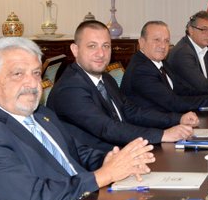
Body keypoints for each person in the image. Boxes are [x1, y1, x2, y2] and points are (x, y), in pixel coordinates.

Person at [0, 37, 155, 200]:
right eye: (18, 74)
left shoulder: (40, 114)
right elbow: (35, 198)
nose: (31, 83)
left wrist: (111, 159)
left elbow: (77, 152)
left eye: (36, 73)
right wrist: (104, 175)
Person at [48, 21, 196, 152]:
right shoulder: (70, 88)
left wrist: (178, 119)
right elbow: (107, 128)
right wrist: (162, 135)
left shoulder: (105, 78)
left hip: (122, 150)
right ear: (75, 50)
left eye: (106, 46)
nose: (101, 53)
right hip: (95, 162)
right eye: (92, 46)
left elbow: (131, 111)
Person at [121, 21, 208, 113]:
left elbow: (182, 90)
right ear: (141, 42)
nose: (163, 46)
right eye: (157, 40)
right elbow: (172, 102)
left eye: (166, 41)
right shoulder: (141, 69)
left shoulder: (160, 63)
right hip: (150, 129)